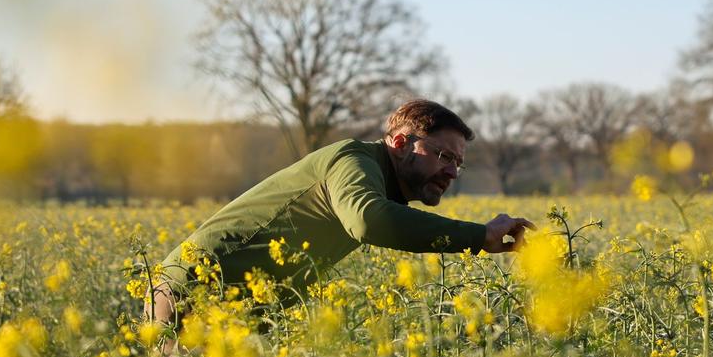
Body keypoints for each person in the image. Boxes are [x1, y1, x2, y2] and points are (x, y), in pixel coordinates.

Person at [148, 99, 534, 326]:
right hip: (194, 292)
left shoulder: (379, 180)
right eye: (444, 156)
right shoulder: (353, 160)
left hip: (237, 309)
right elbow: (368, 220)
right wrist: (476, 236)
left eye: (458, 164)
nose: (451, 172)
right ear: (400, 143)